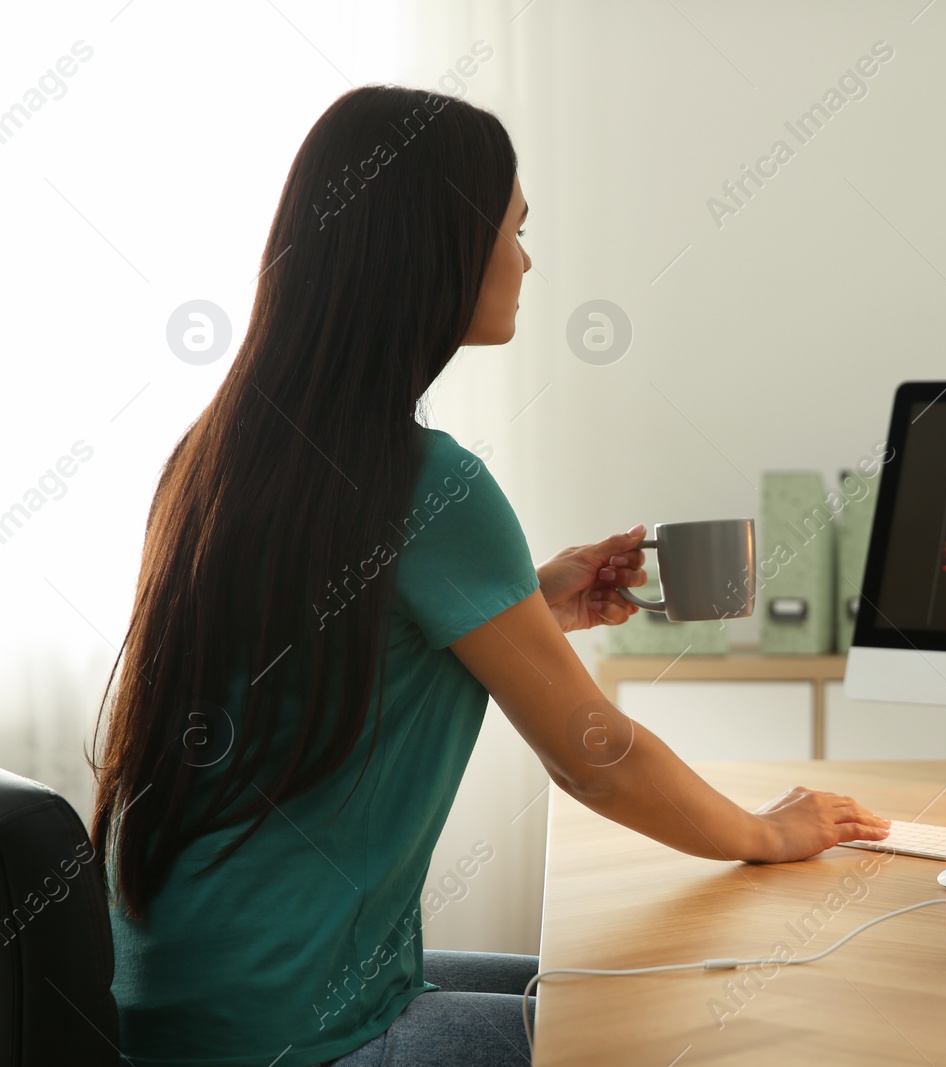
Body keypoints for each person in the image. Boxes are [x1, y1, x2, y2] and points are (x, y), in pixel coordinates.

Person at [91, 84, 890, 1067]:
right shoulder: (432, 482)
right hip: (293, 1032)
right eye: (512, 230)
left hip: (171, 999)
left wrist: (536, 598)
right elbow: (595, 753)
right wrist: (769, 834)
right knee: (712, 1028)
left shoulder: (215, 457)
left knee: (597, 974)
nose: (525, 259)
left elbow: (343, 640)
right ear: (435, 249)